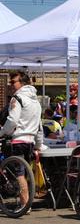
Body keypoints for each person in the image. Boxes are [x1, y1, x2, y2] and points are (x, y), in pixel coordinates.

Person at [0, 71, 43, 212]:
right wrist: (38, 145)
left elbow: (12, 120)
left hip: (17, 141)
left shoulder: (17, 98)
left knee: (18, 174)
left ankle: (25, 205)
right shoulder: (36, 101)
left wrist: (1, 132)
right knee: (24, 173)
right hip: (30, 141)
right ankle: (26, 202)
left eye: (13, 82)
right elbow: (39, 126)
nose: (10, 85)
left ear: (22, 83)